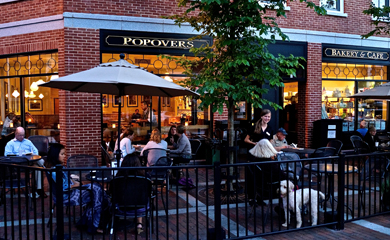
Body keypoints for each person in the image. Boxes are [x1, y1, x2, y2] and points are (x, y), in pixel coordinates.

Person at [45, 143, 110, 234]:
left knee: (96, 192)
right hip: (66, 196)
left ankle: (89, 223)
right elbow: (65, 186)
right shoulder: (55, 170)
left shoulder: (52, 167)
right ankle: (95, 224)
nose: (64, 156)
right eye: (62, 154)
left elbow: (64, 181)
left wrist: (72, 178)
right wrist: (77, 184)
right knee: (97, 191)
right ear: (55, 155)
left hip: (67, 193)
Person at [4, 127, 46, 198]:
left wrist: (30, 154)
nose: (22, 137)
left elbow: (36, 151)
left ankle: (39, 189)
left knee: (38, 167)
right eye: (20, 135)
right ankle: (46, 167)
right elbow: (7, 155)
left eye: (23, 135)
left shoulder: (28, 142)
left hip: (28, 163)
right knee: (40, 166)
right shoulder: (10, 143)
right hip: (16, 164)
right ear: (16, 134)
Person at [115, 154, 148, 234]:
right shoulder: (144, 178)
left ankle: (115, 222)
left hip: (122, 208)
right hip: (141, 207)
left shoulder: (118, 178)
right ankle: (139, 224)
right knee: (139, 197)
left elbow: (114, 192)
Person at [246, 139, 283, 206]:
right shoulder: (270, 164)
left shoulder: (254, 162)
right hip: (271, 190)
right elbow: (281, 175)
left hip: (260, 189)